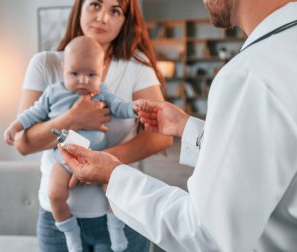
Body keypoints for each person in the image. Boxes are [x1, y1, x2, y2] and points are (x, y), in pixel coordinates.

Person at [58, 0, 297, 251]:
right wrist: (187, 128)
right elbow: (266, 155)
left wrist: (113, 174)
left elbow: (207, 236)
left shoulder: (249, 76)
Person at [14, 0, 173, 251]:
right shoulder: (45, 64)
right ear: (79, 8)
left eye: (115, 11)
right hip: (56, 218)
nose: (103, 17)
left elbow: (162, 136)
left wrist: (100, 163)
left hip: (121, 210)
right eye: (96, 5)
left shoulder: (135, 65)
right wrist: (72, 119)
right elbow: (22, 144)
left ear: (125, 20)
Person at [5, 36, 142, 252]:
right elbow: (32, 114)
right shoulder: (53, 92)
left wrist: (135, 108)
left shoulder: (101, 92)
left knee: (114, 190)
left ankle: (115, 228)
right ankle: (70, 233)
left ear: (101, 70)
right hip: (63, 159)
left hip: (97, 158)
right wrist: (15, 126)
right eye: (75, 74)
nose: (83, 81)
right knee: (55, 195)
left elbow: (120, 107)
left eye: (91, 75)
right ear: (63, 68)